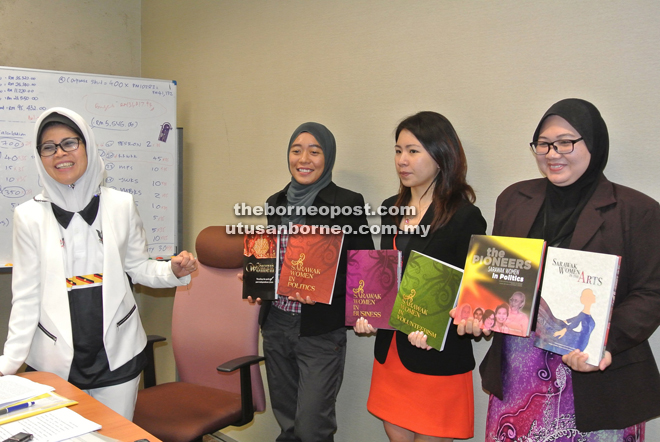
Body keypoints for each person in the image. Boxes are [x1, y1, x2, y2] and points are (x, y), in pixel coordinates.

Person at [458, 98, 660, 440]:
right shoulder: (513, 199)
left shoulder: (637, 211)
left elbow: (651, 293)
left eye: (566, 142)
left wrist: (602, 344)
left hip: (596, 379)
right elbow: (498, 278)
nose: (553, 153)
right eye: (544, 143)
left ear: (594, 144)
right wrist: (479, 311)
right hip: (518, 379)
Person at [0, 108, 197, 420]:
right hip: (54, 357)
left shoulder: (121, 204)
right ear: (40, 156)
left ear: (87, 145)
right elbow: (25, 297)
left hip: (117, 352)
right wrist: (9, 363)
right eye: (48, 147)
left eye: (69, 143)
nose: (60, 154)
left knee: (116, 434)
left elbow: (137, 266)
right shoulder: (28, 216)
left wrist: (170, 271)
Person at [355, 111, 486, 442]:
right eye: (398, 150)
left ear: (441, 155)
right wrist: (367, 313)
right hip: (393, 354)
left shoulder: (465, 217)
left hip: (437, 356)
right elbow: (384, 276)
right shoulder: (390, 208)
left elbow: (474, 295)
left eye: (413, 151)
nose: (402, 160)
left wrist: (438, 328)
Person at [246, 122, 373, 442]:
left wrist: (322, 286)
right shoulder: (275, 202)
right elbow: (274, 258)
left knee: (312, 426)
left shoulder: (347, 201)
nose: (304, 158)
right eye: (296, 150)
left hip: (319, 329)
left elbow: (364, 268)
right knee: (287, 422)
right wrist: (257, 281)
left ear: (327, 157)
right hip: (276, 325)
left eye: (314, 151)